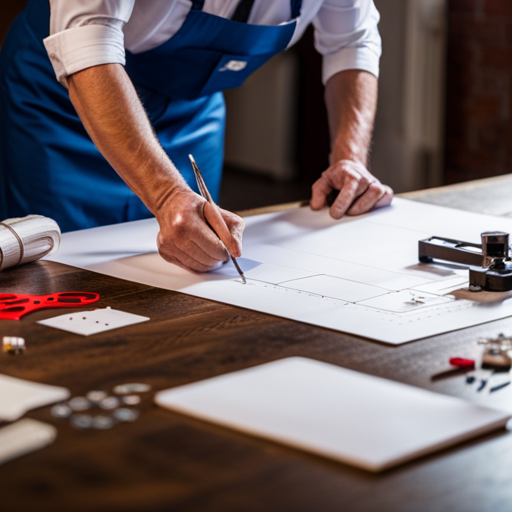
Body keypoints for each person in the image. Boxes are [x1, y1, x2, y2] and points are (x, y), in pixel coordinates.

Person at [0, 0, 393, 273]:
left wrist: (350, 159)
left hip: (191, 109)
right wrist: (168, 194)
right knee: (57, 265)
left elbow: (351, 41)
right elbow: (88, 47)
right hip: (64, 102)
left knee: (185, 263)